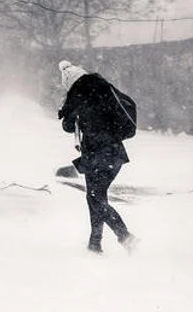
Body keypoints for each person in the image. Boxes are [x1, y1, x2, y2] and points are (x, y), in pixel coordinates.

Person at [57, 60, 138, 254]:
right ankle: (95, 243)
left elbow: (67, 127)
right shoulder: (103, 88)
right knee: (95, 197)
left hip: (96, 153)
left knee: (95, 199)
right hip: (115, 153)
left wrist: (67, 108)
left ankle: (126, 237)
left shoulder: (77, 96)